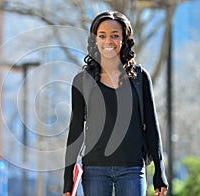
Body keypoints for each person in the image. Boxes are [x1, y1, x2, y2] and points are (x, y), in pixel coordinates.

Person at [63, 11, 168, 196]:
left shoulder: (140, 78)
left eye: (115, 36)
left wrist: (160, 172)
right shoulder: (82, 80)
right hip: (95, 169)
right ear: (95, 39)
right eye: (102, 35)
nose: (108, 41)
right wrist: (67, 179)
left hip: (132, 169)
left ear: (124, 39)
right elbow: (76, 130)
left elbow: (151, 126)